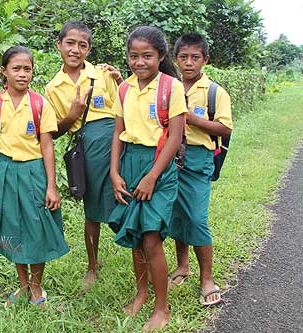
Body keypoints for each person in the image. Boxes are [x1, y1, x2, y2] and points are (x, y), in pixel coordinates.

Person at [0, 46, 69, 307]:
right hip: (5, 173)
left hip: (35, 173)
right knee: (13, 227)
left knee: (37, 227)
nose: (22, 74)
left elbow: (47, 145)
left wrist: (52, 186)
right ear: (4, 72)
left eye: (27, 69)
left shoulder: (39, 104)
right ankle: (23, 286)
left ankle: (37, 287)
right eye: (16, 68)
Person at [108, 26, 186, 331]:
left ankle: (161, 308)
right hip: (129, 164)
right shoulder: (124, 88)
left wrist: (153, 176)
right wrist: (114, 173)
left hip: (159, 167)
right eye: (133, 56)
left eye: (147, 56)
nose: (140, 62)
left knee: (151, 238)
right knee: (136, 237)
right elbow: (118, 133)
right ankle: (141, 294)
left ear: (161, 56)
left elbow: (175, 136)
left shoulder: (171, 87)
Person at [45, 21, 123, 290]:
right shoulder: (53, 87)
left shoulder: (102, 75)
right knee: (91, 208)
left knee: (124, 197)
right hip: (85, 148)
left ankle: (144, 256)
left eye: (82, 45)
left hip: (113, 143)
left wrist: (121, 80)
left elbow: (122, 110)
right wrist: (73, 114)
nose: (75, 50)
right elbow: (54, 131)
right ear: (59, 45)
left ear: (88, 49)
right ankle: (93, 265)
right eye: (70, 43)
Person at [168, 32, 232, 306]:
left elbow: (225, 127)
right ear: (176, 59)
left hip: (198, 158)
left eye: (195, 57)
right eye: (183, 57)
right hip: (170, 157)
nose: (189, 63)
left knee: (196, 218)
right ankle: (183, 266)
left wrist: (191, 119)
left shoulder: (215, 92)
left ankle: (207, 279)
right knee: (176, 215)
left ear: (205, 59)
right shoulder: (169, 86)